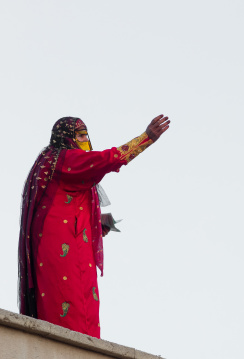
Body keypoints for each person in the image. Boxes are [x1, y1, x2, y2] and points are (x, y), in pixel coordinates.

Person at [18, 115, 170, 338]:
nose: (85, 140)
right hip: (62, 243)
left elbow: (61, 200)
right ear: (66, 137)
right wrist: (145, 139)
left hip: (70, 240)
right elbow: (107, 159)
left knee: (81, 300)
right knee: (69, 299)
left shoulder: (49, 161)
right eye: (80, 135)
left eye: (86, 135)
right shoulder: (64, 158)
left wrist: (95, 222)